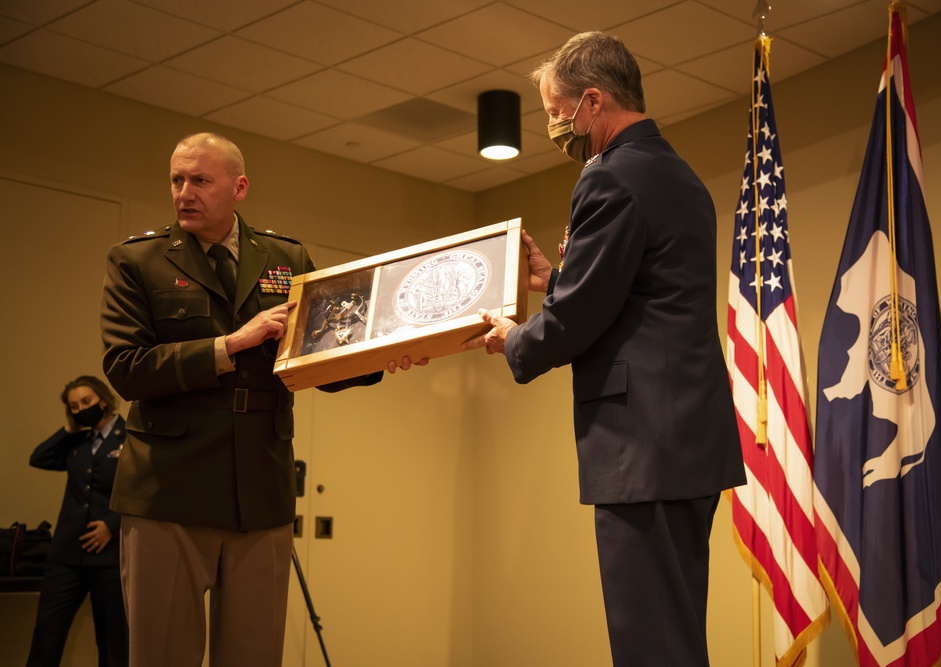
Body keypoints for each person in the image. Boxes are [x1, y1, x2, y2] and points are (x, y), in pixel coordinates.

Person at [468, 32, 746, 666]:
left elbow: (578, 320)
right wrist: (555, 280)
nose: (554, 126)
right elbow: (640, 292)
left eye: (555, 111)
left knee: (649, 644)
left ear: (592, 102)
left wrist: (517, 340)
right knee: (674, 632)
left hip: (641, 446)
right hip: (686, 441)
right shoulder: (680, 176)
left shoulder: (611, 178)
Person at [100, 132, 419, 666]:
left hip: (259, 489)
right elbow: (125, 369)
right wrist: (230, 345)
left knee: (254, 656)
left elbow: (315, 355)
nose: (184, 193)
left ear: (238, 187)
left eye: (200, 180)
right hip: (168, 491)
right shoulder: (139, 261)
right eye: (177, 180)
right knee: (162, 655)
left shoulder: (285, 257)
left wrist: (379, 355)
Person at [27, 375, 128, 667]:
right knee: (47, 634)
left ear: (103, 400)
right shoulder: (77, 441)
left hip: (109, 557)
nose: (80, 408)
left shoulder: (129, 436)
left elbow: (147, 491)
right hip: (65, 556)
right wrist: (70, 427)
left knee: (113, 641)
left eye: (86, 402)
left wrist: (111, 525)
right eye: (73, 406)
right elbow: (39, 458)